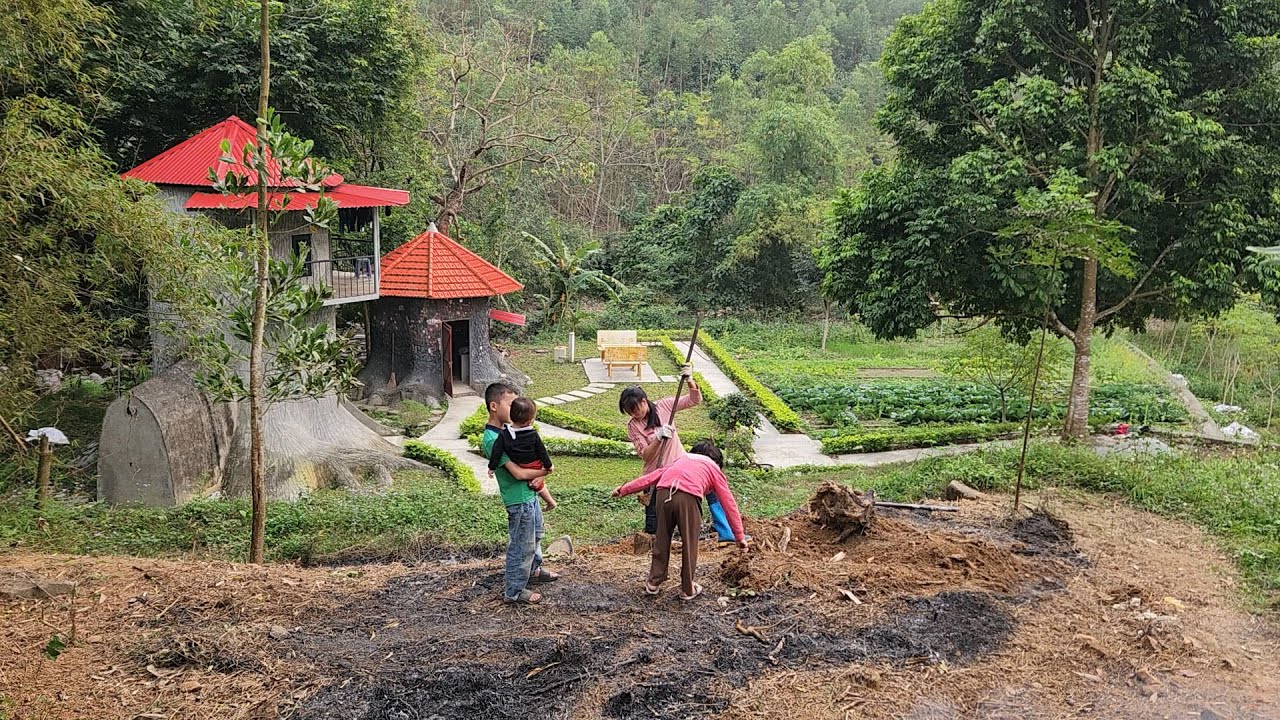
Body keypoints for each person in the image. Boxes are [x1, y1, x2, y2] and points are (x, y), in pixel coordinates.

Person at [611, 441, 749, 600]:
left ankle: (653, 583)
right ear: (717, 461)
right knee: (690, 542)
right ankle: (687, 588)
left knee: (662, 538)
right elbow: (728, 502)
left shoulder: (680, 460)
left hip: (663, 494)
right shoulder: (713, 467)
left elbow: (650, 478)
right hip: (688, 497)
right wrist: (739, 536)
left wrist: (623, 490)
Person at [619, 368, 738, 544]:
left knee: (711, 492)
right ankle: (654, 543)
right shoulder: (633, 426)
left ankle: (726, 532)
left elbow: (694, 400)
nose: (634, 415)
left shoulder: (665, 406)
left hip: (681, 467)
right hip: (657, 473)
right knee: (653, 515)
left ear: (644, 401)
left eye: (635, 409)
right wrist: (658, 438)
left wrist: (689, 380)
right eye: (630, 412)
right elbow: (646, 455)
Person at [482, 382, 558, 604]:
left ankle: (533, 571)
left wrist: (540, 474)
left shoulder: (511, 432)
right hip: (518, 499)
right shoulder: (492, 439)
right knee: (521, 544)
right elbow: (516, 473)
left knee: (535, 536)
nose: (517, 408)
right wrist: (545, 470)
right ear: (494, 406)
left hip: (529, 496)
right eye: (511, 403)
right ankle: (514, 591)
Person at [487, 396, 557, 511]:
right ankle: (550, 501)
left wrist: (492, 467)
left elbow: (497, 451)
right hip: (534, 464)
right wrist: (548, 467)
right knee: (538, 483)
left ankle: (546, 496)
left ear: (511, 416)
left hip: (520, 464)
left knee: (534, 482)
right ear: (531, 421)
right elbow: (542, 451)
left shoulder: (504, 434)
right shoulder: (533, 434)